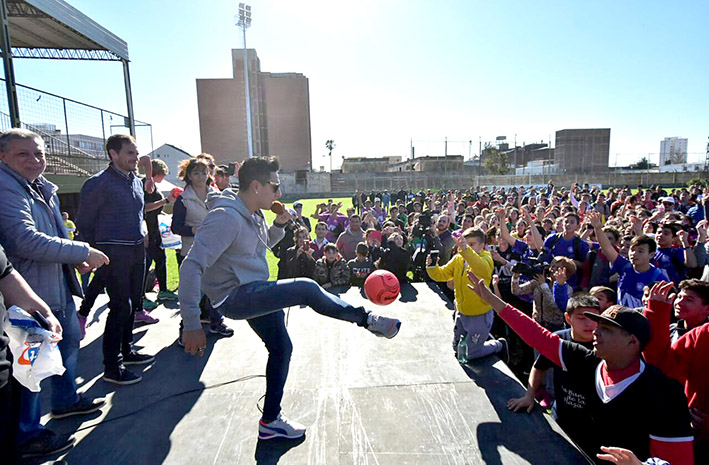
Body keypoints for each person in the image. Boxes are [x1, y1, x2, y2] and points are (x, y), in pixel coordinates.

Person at [178, 156, 401, 440]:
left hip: (254, 288)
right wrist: (192, 324)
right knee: (306, 288)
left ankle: (270, 421)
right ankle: (367, 319)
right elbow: (192, 265)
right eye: (275, 186)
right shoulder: (225, 217)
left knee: (282, 347)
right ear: (256, 186)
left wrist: (279, 226)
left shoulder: (254, 212)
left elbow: (255, 249)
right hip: (234, 297)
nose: (280, 194)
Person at [466, 270, 695, 465]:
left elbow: (679, 461)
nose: (595, 331)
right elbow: (536, 335)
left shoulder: (664, 394)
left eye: (607, 329)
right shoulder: (584, 359)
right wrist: (491, 299)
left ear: (632, 342)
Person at [0, 129, 109, 458]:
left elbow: (51, 234)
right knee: (28, 367)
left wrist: (75, 261)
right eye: (24, 154)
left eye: (39, 153)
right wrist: (81, 252)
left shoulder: (37, 186)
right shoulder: (5, 187)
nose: (35, 160)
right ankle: (27, 433)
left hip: (53, 290)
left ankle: (66, 401)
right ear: (3, 157)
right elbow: (24, 240)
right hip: (26, 298)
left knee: (69, 344)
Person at [77, 134, 156, 386]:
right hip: (112, 254)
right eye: (130, 153)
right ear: (113, 154)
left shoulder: (135, 182)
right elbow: (85, 223)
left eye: (136, 152)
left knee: (133, 306)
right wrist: (88, 253)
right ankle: (112, 366)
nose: (136, 158)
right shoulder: (97, 183)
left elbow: (138, 213)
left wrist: (142, 234)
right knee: (120, 306)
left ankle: (128, 350)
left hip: (136, 252)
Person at [507, 295, 600, 448]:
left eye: (593, 317)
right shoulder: (559, 340)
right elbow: (539, 367)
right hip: (562, 416)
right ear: (568, 318)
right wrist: (529, 395)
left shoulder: (604, 344)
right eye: (582, 318)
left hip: (592, 425)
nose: (589, 323)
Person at [643, 281, 708, 464]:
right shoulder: (701, 336)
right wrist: (656, 311)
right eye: (679, 297)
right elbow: (662, 368)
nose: (680, 302)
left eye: (689, 300)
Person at [171, 156, 233, 339]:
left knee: (217, 290)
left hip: (216, 252)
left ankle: (216, 322)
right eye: (196, 173)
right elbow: (176, 227)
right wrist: (193, 229)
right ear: (188, 175)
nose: (200, 176)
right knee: (192, 294)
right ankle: (187, 329)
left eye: (204, 172)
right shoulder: (183, 199)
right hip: (192, 251)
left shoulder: (217, 195)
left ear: (209, 174)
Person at [426, 229, 507, 362]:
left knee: (471, 353)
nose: (467, 247)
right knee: (456, 347)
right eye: (465, 243)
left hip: (479, 315)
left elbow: (481, 268)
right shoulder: (458, 259)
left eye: (472, 244)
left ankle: (499, 345)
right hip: (462, 313)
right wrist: (431, 266)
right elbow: (441, 274)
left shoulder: (486, 258)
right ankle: (480, 339)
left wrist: (465, 249)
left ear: (482, 246)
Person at [588, 211, 669, 308]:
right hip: (620, 318)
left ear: (651, 255)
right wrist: (597, 227)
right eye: (633, 250)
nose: (634, 254)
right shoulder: (624, 266)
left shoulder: (658, 278)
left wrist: (639, 231)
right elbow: (607, 247)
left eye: (640, 251)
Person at [142, 159, 177, 318]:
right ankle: (140, 297)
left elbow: (153, 210)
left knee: (161, 259)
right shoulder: (145, 185)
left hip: (155, 230)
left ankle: (163, 290)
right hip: (147, 232)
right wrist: (166, 201)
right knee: (146, 263)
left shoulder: (153, 186)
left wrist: (164, 215)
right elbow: (144, 208)